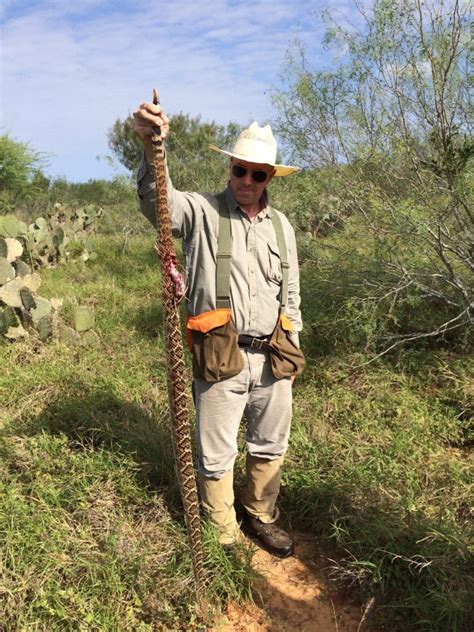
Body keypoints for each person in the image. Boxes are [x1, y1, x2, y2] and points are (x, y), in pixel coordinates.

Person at [133, 98, 304, 558]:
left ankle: (261, 517)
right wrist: (151, 149)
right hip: (220, 354)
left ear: (270, 177)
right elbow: (159, 203)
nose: (247, 181)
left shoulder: (283, 228)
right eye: (240, 171)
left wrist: (293, 343)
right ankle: (224, 533)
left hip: (273, 356)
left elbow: (291, 294)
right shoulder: (202, 212)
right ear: (229, 169)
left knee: (271, 443)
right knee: (215, 452)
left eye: (258, 173)